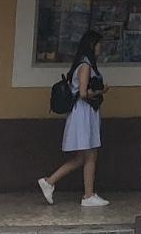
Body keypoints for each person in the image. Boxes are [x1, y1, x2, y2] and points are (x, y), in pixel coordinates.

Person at [37, 30, 108, 207]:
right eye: (99, 44)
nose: (101, 48)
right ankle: (88, 195)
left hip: (85, 113)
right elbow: (83, 93)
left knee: (82, 157)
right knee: (90, 155)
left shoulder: (84, 64)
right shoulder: (85, 66)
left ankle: (50, 181)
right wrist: (101, 91)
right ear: (92, 45)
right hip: (83, 113)